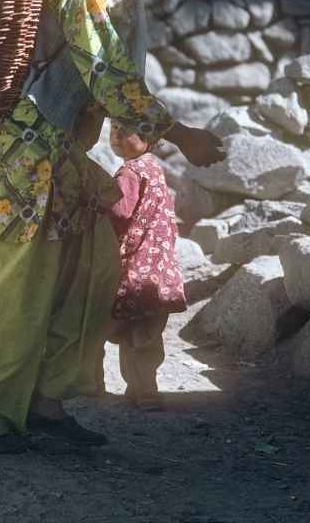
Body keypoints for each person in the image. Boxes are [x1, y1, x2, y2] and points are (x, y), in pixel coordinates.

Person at [0, 0, 225, 454]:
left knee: (80, 278)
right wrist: (178, 133)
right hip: (32, 150)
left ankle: (45, 404)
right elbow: (103, 67)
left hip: (65, 150)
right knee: (19, 284)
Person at [97, 120, 187, 409]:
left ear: (149, 138)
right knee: (148, 331)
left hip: (137, 265)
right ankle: (141, 389)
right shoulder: (154, 167)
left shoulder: (130, 172)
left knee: (132, 331)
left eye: (126, 131)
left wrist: (96, 201)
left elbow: (120, 211)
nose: (117, 137)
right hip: (159, 266)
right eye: (114, 130)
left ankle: (143, 390)